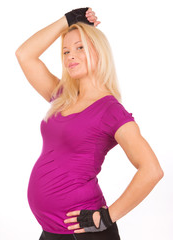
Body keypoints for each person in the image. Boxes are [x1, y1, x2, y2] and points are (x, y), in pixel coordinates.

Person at [15, 7, 164, 240]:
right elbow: (24, 54)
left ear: (99, 52)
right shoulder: (63, 97)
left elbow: (152, 170)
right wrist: (67, 20)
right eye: (65, 51)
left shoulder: (111, 111)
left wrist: (106, 217)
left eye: (80, 48)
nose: (70, 56)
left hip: (85, 233)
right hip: (51, 231)